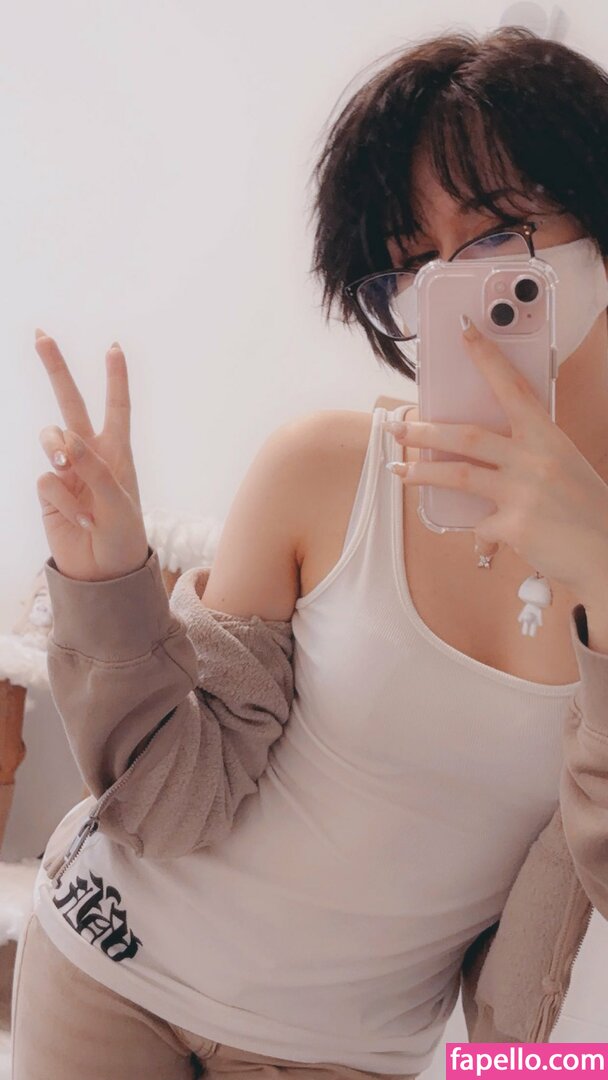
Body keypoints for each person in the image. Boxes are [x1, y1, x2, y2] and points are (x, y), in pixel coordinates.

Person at [11, 24, 608, 1080]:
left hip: (345, 1053)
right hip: (112, 966)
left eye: (494, 233)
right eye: (410, 264)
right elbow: (173, 799)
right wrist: (109, 583)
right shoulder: (323, 471)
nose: (449, 289)